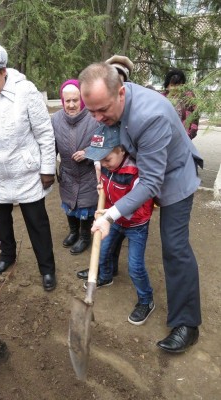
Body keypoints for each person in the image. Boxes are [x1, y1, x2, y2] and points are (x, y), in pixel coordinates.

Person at [79, 62, 203, 353]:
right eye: (91, 111)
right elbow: (109, 144)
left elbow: (150, 183)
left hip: (174, 176)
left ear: (121, 93)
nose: (97, 118)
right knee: (129, 219)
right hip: (145, 169)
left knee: (174, 246)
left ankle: (187, 323)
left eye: (102, 111)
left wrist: (110, 214)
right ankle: (110, 271)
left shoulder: (151, 116)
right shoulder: (110, 103)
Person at [0, 40, 56, 291]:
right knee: (1, 222)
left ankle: (47, 269)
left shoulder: (25, 91)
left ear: (3, 71)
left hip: (26, 172)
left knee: (37, 223)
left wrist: (47, 168)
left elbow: (45, 133)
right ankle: (7, 256)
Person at [77, 126, 155, 325]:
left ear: (122, 150)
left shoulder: (136, 171)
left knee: (135, 267)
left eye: (107, 159)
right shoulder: (106, 165)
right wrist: (101, 186)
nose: (103, 164)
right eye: (100, 159)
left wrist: (108, 216)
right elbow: (105, 182)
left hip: (136, 223)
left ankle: (146, 301)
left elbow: (136, 203)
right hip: (113, 219)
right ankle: (105, 276)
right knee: (103, 251)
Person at [51, 79, 99, 254]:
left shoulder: (95, 117)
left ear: (83, 99)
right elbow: (50, 146)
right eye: (67, 101)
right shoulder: (55, 119)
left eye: (75, 100)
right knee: (69, 204)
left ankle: (85, 236)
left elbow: (106, 143)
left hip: (88, 173)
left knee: (86, 205)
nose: (71, 105)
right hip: (68, 172)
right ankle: (73, 232)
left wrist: (88, 152)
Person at [162, 68, 199, 140]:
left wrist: (191, 133)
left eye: (179, 85)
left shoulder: (189, 97)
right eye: (172, 85)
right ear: (167, 86)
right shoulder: (161, 98)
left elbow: (195, 115)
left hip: (185, 136)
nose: (176, 88)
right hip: (165, 136)